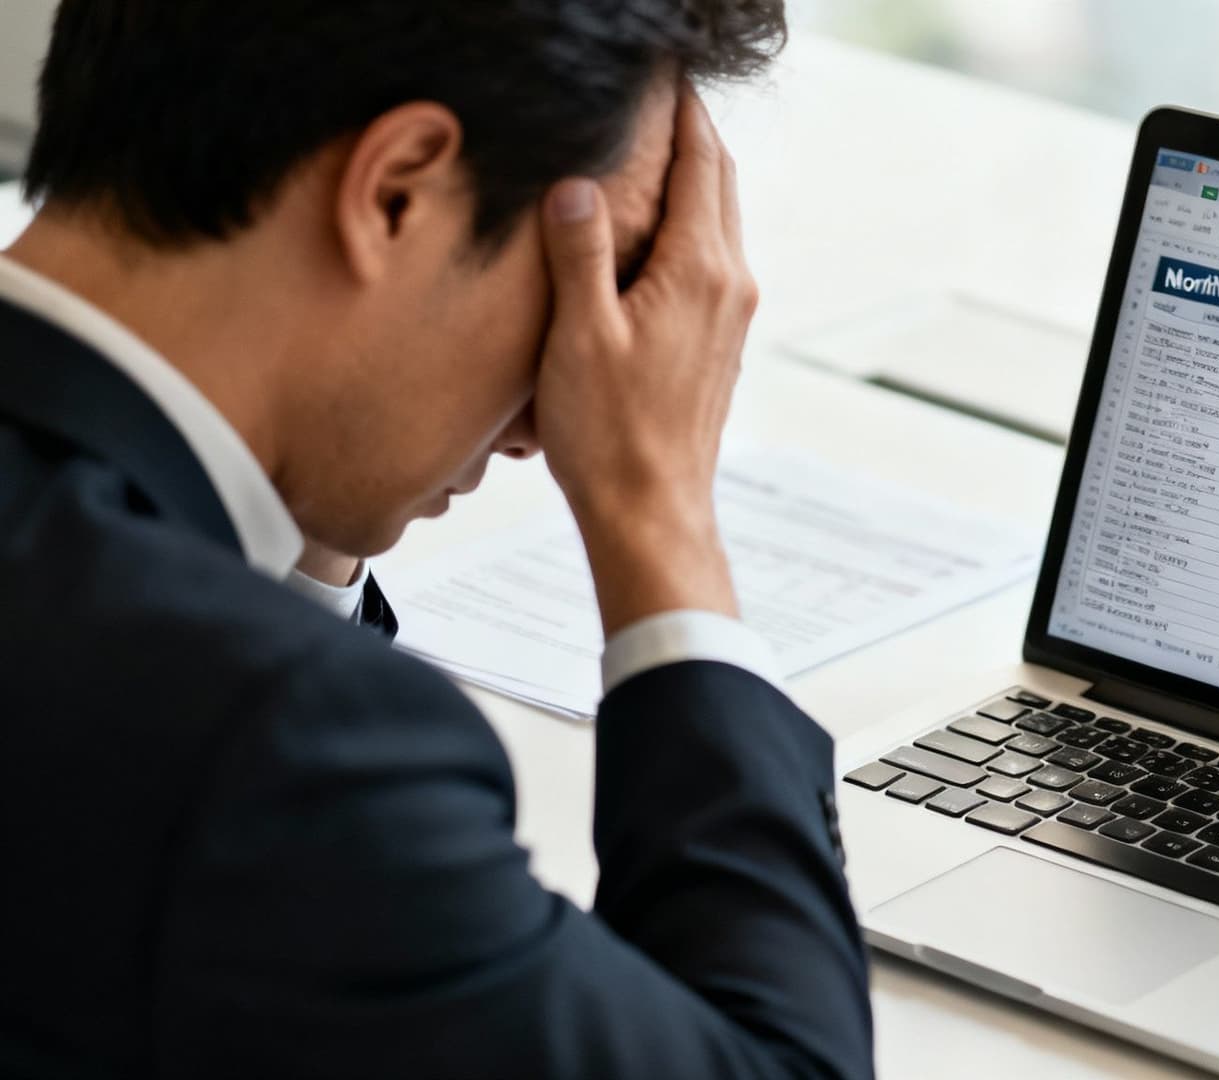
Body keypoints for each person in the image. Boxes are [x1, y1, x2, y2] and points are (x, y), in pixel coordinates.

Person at [0, 2, 873, 1077]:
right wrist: (659, 508)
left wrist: (307, 498)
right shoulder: (277, 744)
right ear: (398, 188)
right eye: (582, 283)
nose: (565, 409)